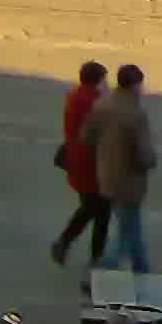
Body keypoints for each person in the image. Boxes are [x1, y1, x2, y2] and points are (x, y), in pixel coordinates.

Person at [83, 63, 157, 276]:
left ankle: (142, 269)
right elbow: (145, 155)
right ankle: (101, 273)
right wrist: (152, 160)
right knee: (127, 232)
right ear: (134, 85)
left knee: (131, 228)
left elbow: (87, 137)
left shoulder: (102, 105)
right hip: (130, 182)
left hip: (107, 176)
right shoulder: (135, 114)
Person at [48, 61, 112, 266]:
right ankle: (94, 259)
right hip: (93, 167)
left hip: (78, 163)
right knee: (100, 213)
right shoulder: (94, 104)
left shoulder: (76, 97)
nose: (107, 84)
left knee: (91, 208)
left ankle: (66, 243)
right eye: (104, 80)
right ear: (97, 82)